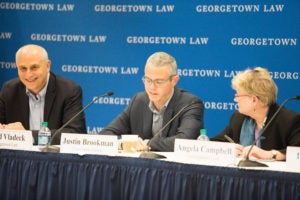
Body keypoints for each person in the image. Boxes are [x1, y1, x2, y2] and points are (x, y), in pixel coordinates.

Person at [100, 52, 204, 151]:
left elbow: (186, 141)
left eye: (159, 82)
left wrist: (147, 144)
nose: (151, 87)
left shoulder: (190, 104)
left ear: (174, 81)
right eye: (148, 80)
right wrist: (124, 143)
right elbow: (106, 134)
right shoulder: (139, 100)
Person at [0, 44, 86, 144]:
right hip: (18, 158)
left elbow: (75, 133)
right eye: (23, 68)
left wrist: (28, 136)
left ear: (47, 65)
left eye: (34, 67)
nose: (28, 74)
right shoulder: (9, 90)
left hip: (55, 158)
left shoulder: (69, 91)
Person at [211, 67, 300, 161]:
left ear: (254, 100)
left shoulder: (289, 120)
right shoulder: (238, 119)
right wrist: (228, 149)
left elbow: (297, 152)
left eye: (238, 95)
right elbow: (214, 143)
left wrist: (271, 154)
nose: (235, 99)